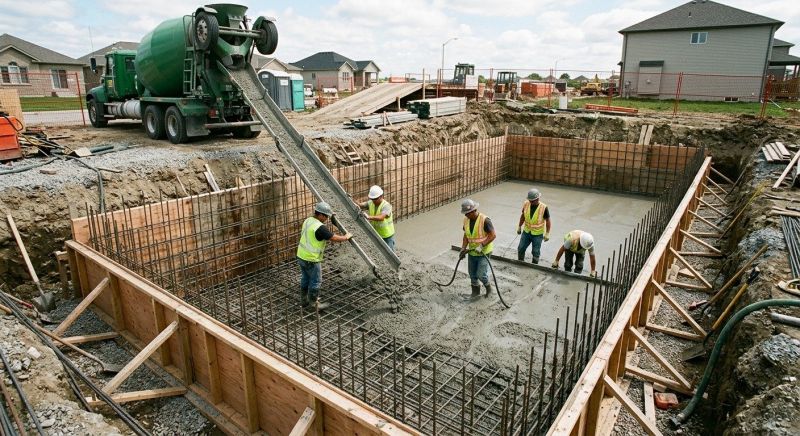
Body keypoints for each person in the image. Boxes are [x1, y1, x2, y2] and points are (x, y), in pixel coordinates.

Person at [296, 201, 353, 309]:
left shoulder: (308, 220)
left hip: (301, 255)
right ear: (320, 215)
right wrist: (346, 237)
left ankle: (304, 300)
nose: (326, 218)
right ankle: (313, 304)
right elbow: (333, 237)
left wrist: (332, 217)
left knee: (305, 278)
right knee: (316, 281)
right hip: (311, 259)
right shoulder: (319, 227)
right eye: (326, 216)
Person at [459, 199, 497, 299]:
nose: (465, 215)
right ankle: (475, 292)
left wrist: (482, 245)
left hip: (484, 251)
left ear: (473, 211)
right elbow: (466, 235)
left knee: (481, 274)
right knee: (472, 274)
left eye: (467, 213)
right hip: (472, 252)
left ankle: (489, 289)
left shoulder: (485, 220)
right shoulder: (466, 220)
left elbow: (492, 235)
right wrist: (463, 248)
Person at [516, 188, 551, 263]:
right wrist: (519, 226)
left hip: (537, 234)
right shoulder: (526, 204)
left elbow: (548, 220)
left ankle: (534, 265)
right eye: (530, 200)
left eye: (532, 201)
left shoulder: (544, 207)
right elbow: (523, 215)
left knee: (535, 251)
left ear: (537, 199)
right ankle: (520, 263)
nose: (531, 202)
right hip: (526, 231)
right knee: (521, 248)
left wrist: (547, 233)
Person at [357, 185, 395, 251]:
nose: (373, 201)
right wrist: (353, 201)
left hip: (387, 235)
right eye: (372, 199)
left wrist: (369, 217)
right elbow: (361, 205)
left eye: (375, 199)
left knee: (389, 253)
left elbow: (381, 217)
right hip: (376, 233)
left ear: (381, 196)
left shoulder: (386, 206)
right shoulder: (371, 203)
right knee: (379, 252)